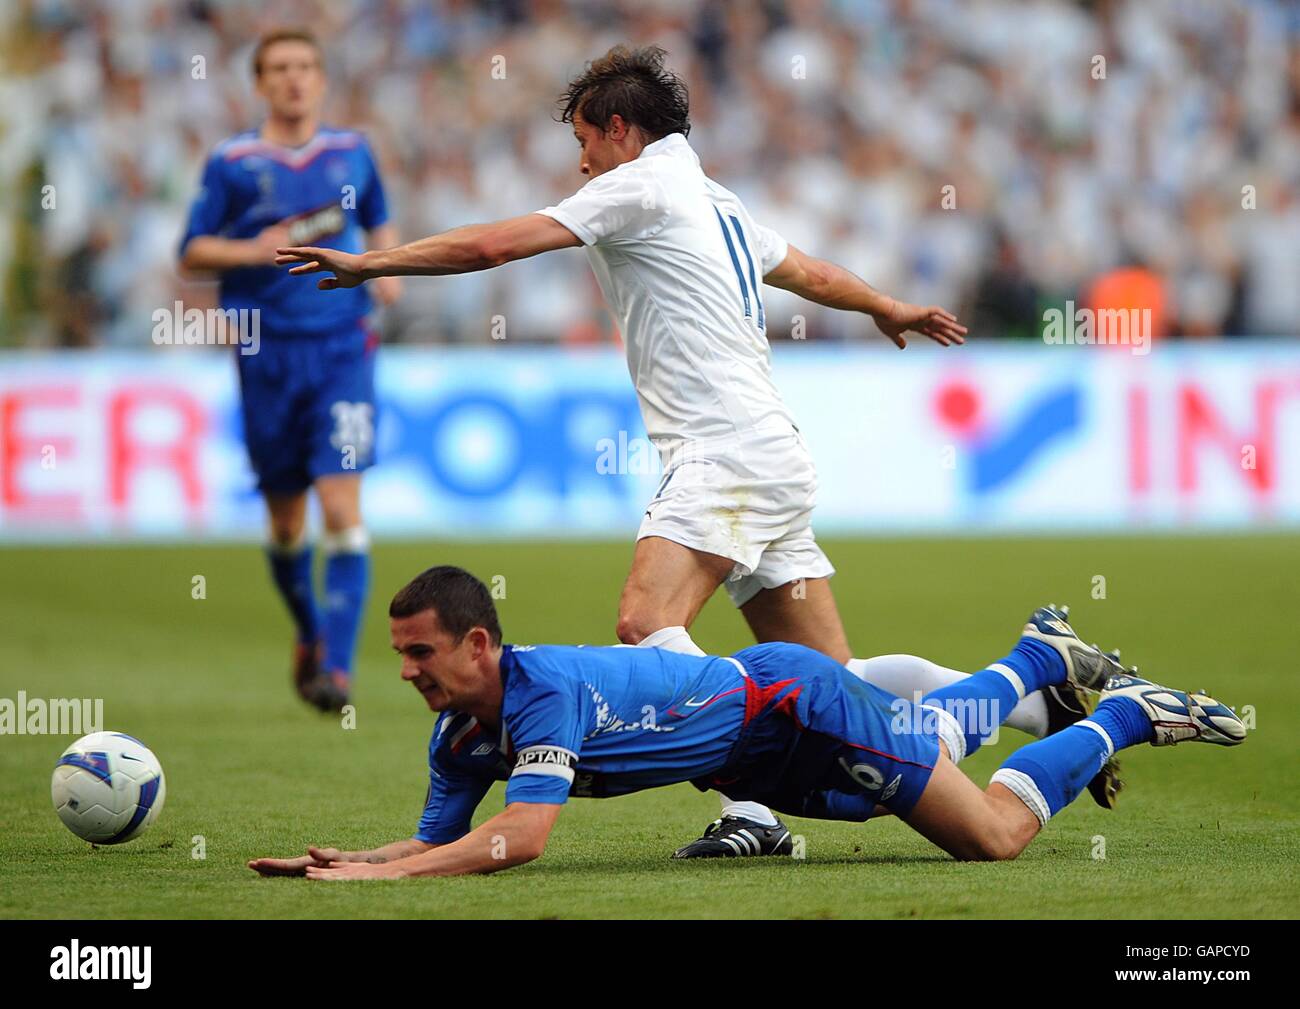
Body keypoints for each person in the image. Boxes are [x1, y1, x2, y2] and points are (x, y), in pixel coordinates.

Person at [272, 44, 1117, 853]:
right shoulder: (716, 199)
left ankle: (750, 809)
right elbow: (809, 272)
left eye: (581, 144)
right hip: (770, 451)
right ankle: (1045, 697)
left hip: (725, 455)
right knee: (836, 674)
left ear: (617, 130)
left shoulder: (637, 187)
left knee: (647, 625)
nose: (580, 167)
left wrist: (370, 263)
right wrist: (885, 305)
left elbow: (495, 245)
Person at [247, 566, 1245, 880]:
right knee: (927, 751)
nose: (408, 671)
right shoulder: (459, 736)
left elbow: (519, 837)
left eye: (421, 652)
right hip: (756, 754)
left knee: (990, 837)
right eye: (400, 656)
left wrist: (384, 879)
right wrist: (361, 858)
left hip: (787, 702)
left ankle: (1122, 713)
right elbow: (443, 840)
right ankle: (1038, 660)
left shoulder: (540, 692)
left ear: (476, 645)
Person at [178, 28, 400, 710]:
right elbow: (191, 251)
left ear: (323, 78)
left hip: (342, 350)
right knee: (285, 522)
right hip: (265, 355)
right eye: (279, 68)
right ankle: (308, 629)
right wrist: (253, 251)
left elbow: (382, 223)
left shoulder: (353, 152)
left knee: (341, 505)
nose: (294, 78)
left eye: (305, 66)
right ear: (260, 82)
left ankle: (336, 667)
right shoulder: (233, 163)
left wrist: (387, 271)